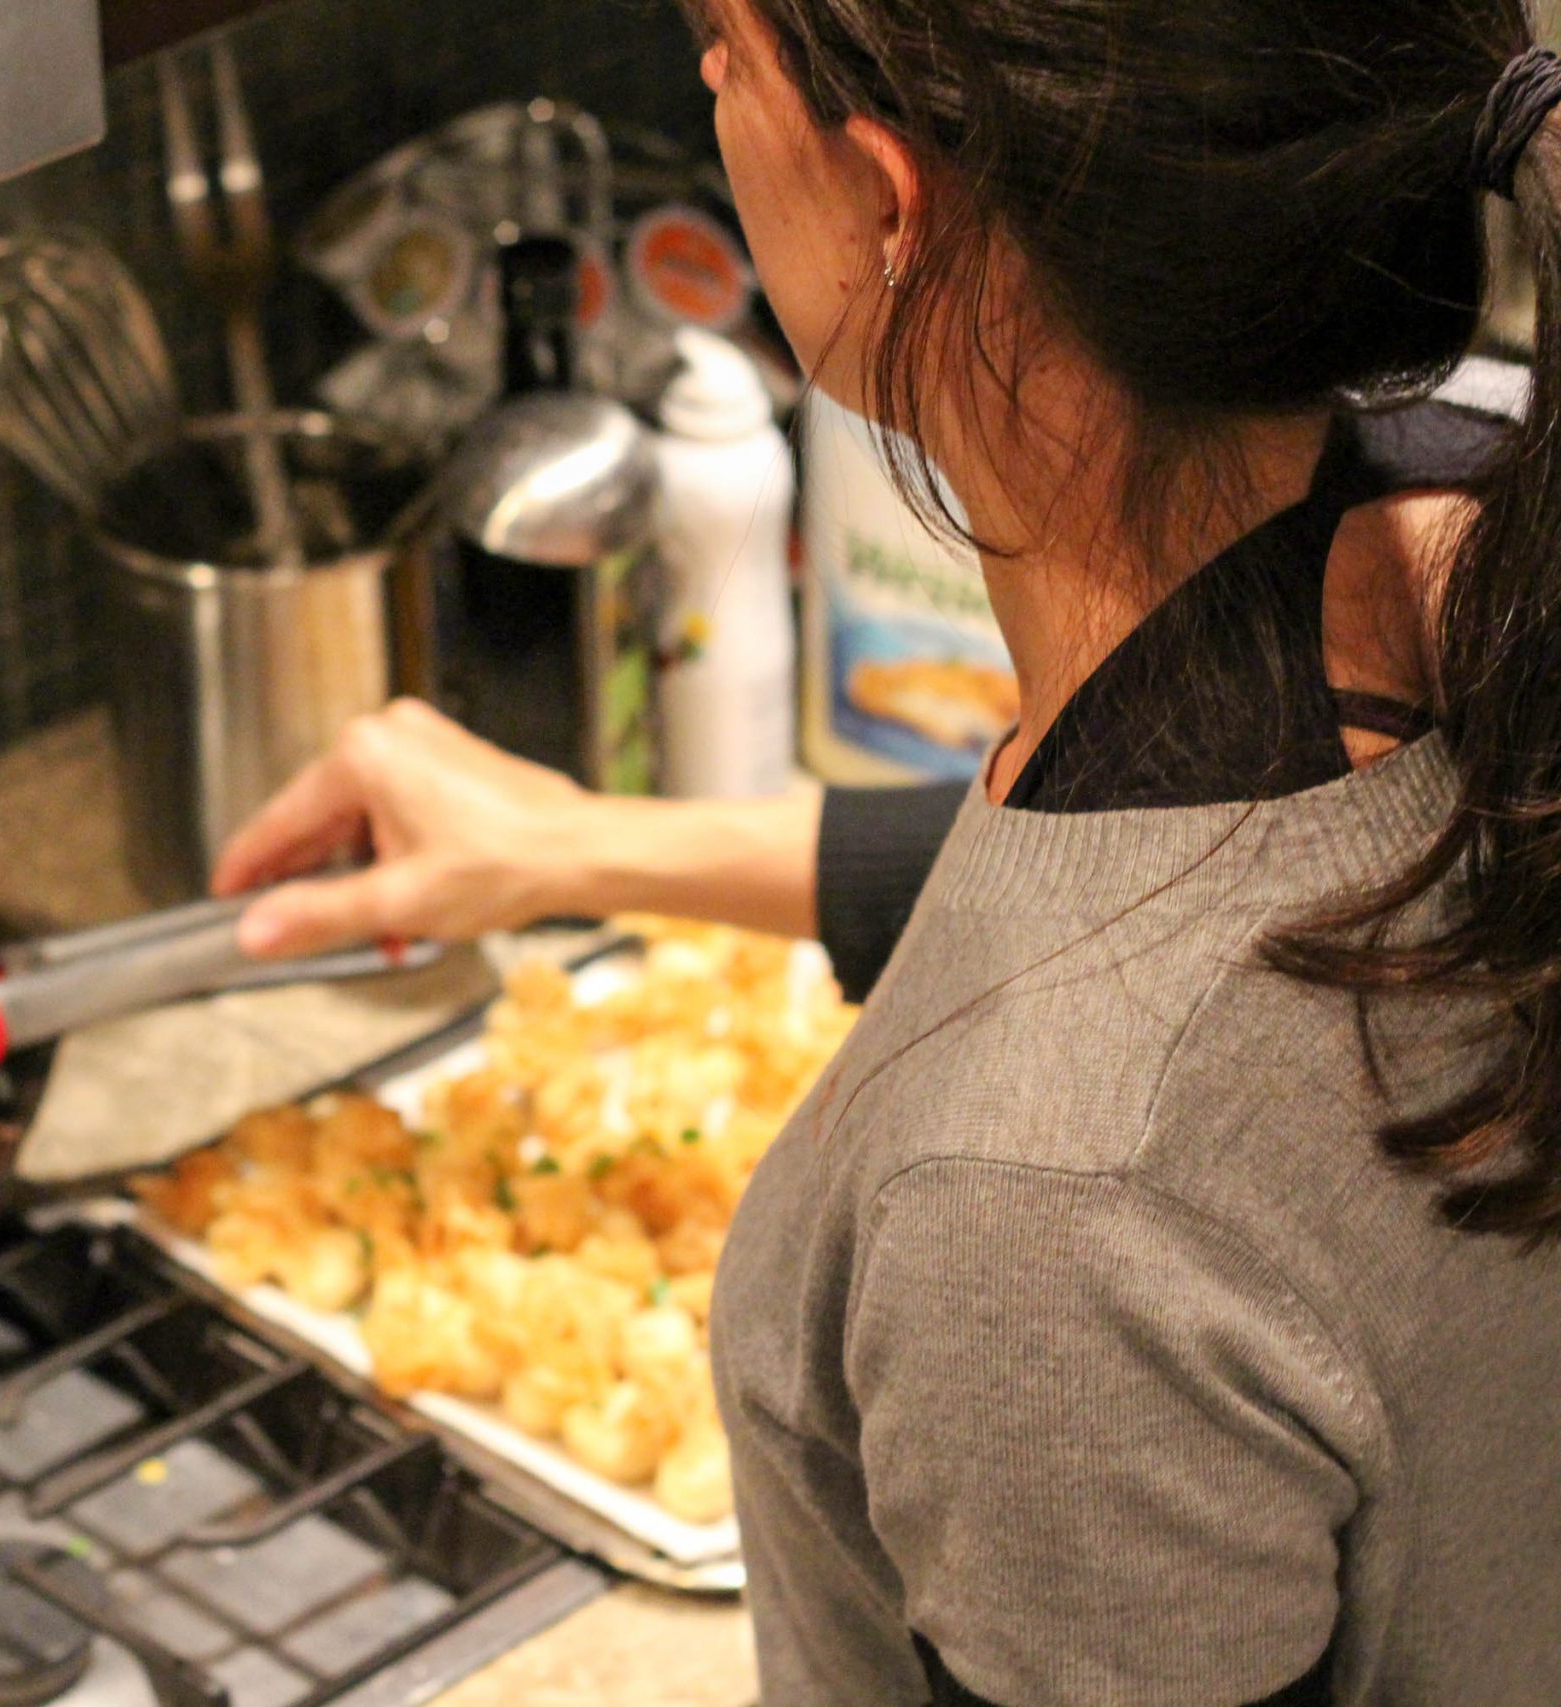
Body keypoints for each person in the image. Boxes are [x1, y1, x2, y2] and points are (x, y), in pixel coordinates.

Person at [214, 3, 1561, 1702]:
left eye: (723, 44)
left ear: (889, 204)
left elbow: (1142, 1025)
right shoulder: (1486, 553)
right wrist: (582, 845)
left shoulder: (1047, 1213)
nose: (701, 82)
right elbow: (1195, 896)